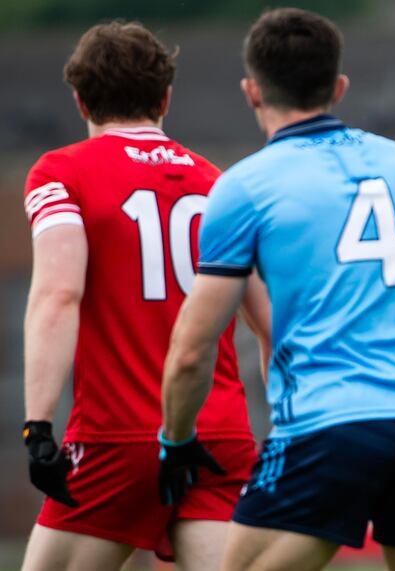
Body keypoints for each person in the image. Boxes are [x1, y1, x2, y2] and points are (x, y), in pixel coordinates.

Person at [159, 8, 395, 571]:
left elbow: (191, 351)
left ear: (252, 91)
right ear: (339, 86)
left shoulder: (244, 187)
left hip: (326, 426)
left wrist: (176, 441)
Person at [21, 21, 268, 571]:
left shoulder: (60, 173)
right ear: (166, 98)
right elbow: (268, 321)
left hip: (120, 437)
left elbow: (59, 294)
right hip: (219, 437)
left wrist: (36, 425)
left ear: (80, 99)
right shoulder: (219, 183)